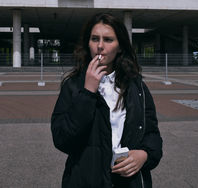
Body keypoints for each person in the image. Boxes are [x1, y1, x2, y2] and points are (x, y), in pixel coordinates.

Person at [51, 13, 163, 188]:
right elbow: (61, 139)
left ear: (120, 47)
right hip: (86, 180)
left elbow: (152, 134)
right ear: (88, 44)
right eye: (95, 39)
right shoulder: (73, 85)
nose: (100, 46)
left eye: (108, 40)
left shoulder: (136, 87)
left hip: (128, 181)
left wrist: (145, 155)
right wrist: (87, 92)